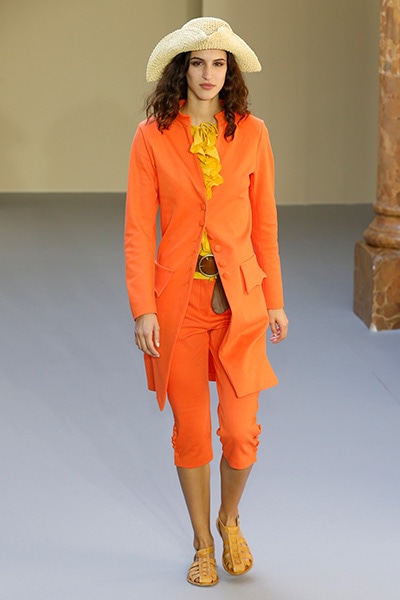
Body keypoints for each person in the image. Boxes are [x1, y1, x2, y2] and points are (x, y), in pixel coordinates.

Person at [124, 17, 288, 587]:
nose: (209, 73)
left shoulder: (253, 133)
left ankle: (228, 518)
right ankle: (201, 543)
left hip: (240, 299)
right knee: (191, 433)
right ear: (182, 70)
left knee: (241, 433)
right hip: (179, 304)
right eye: (198, 63)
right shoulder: (151, 136)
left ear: (230, 71)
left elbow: (265, 224)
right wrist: (143, 307)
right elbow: (138, 230)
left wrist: (274, 299)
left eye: (219, 63)